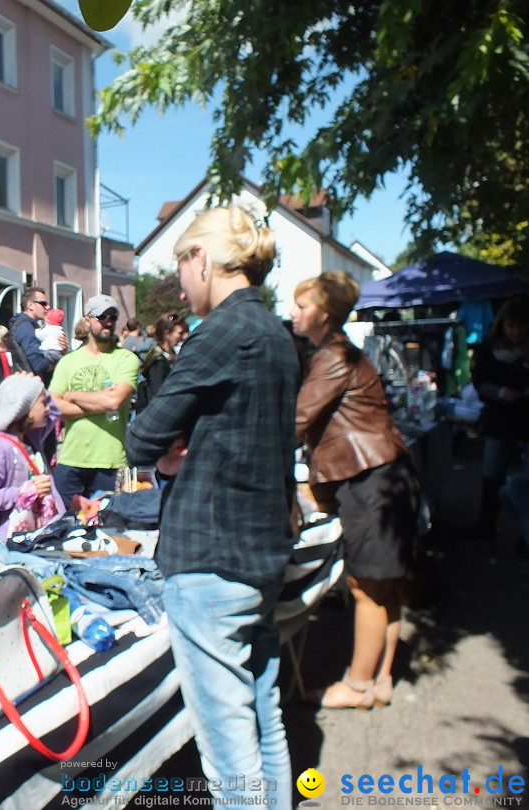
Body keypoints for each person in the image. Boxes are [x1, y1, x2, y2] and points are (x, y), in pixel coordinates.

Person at [126, 206, 297, 808]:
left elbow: (142, 438)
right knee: (264, 719)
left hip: (214, 555)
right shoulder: (275, 330)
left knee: (228, 753)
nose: (179, 282)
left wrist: (173, 454)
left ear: (203, 259)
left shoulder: (222, 332)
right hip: (262, 550)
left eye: (180, 266)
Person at [291, 271, 421, 710]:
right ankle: (381, 679)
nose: (294, 312)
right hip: (383, 474)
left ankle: (358, 685)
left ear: (324, 314)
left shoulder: (333, 356)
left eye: (302, 305)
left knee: (366, 585)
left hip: (369, 479)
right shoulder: (340, 352)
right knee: (385, 585)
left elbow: (296, 422)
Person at [48, 294, 141, 506]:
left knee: (111, 529)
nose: (108, 321)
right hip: (71, 460)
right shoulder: (68, 362)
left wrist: (72, 396)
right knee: (61, 527)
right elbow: (53, 407)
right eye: (102, 316)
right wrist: (101, 401)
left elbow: (115, 402)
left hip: (111, 461)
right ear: (87, 319)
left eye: (113, 316)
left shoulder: (126, 359)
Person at [0, 374, 64, 539]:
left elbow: (55, 412)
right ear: (24, 408)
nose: (48, 408)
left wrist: (38, 385)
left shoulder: (31, 437)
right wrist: (25, 492)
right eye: (43, 403)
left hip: (43, 532)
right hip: (17, 538)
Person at [471, 296, 529, 542]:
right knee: (492, 473)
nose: (516, 331)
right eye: (511, 326)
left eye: (521, 325)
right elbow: (479, 382)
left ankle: (525, 536)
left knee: (526, 481)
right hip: (499, 419)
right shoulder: (487, 349)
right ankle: (486, 526)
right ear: (502, 325)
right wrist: (500, 392)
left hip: (528, 420)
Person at [134, 312, 189, 414]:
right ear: (167, 333)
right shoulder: (157, 363)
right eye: (180, 333)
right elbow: (156, 399)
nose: (184, 336)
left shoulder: (171, 357)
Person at [9, 287, 65, 380]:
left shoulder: (31, 326)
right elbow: (39, 365)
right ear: (30, 305)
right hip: (29, 386)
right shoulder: (25, 327)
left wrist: (61, 348)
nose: (48, 307)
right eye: (43, 303)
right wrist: (59, 360)